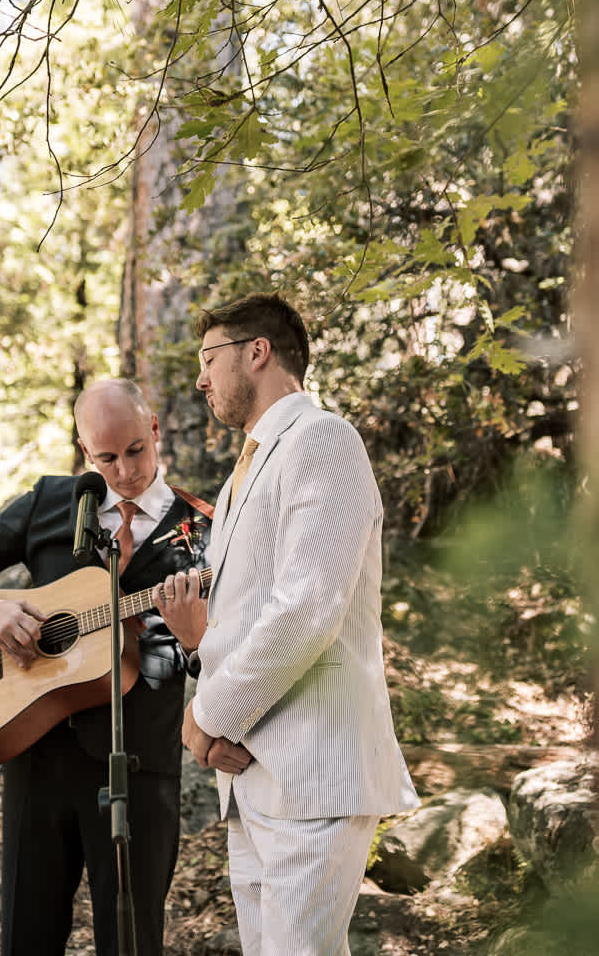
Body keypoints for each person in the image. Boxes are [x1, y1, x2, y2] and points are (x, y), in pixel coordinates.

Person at [153, 292, 419, 956]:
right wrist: (216, 718)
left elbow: (306, 611)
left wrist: (205, 714)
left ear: (257, 352)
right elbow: (248, 621)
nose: (200, 378)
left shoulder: (321, 440)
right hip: (252, 777)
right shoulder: (247, 469)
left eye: (208, 358)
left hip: (314, 774)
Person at [0, 379, 216, 956]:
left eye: (136, 449)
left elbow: (227, 655)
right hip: (38, 758)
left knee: (131, 943)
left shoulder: (203, 529)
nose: (125, 470)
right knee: (27, 939)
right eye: (106, 457)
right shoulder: (53, 501)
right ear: (85, 452)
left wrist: (196, 639)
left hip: (140, 771)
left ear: (154, 429)